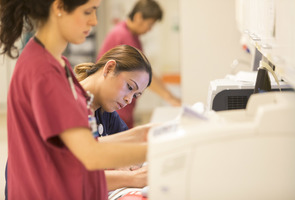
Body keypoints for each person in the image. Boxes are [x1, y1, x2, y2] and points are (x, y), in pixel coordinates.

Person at [0, 0, 152, 199]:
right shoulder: (44, 72)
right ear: (59, 7)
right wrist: (156, 151)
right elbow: (88, 154)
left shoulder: (57, 64)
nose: (94, 21)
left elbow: (86, 145)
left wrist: (145, 134)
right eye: (88, 11)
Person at [74, 45, 150, 191]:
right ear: (109, 69)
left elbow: (126, 152)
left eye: (135, 95)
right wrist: (134, 177)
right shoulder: (70, 102)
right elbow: (78, 174)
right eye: (129, 87)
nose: (129, 100)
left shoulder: (105, 112)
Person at [97, 0, 181, 129]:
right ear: (138, 17)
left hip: (122, 107)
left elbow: (146, 72)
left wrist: (170, 96)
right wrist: (170, 98)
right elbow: (142, 75)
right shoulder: (123, 35)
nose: (149, 29)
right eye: (149, 24)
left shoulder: (131, 35)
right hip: (116, 106)